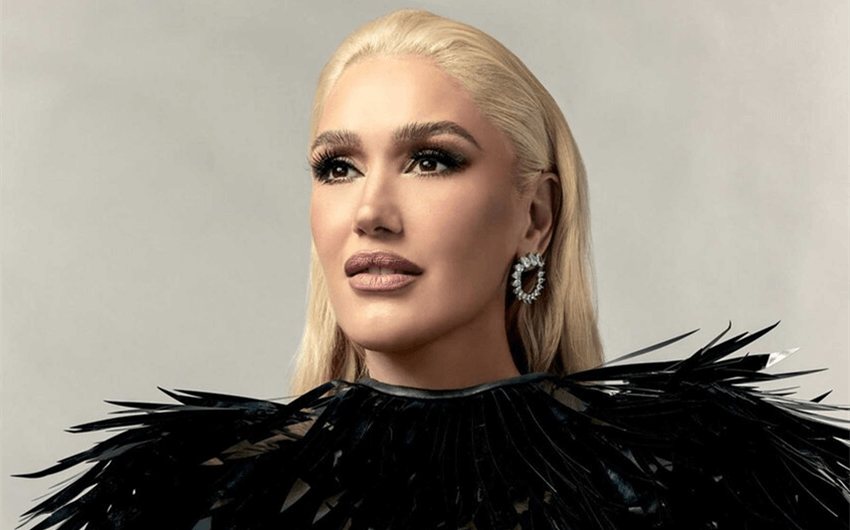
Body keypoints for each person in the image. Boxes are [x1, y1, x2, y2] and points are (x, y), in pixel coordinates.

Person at [18, 9, 850, 530]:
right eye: (337, 167)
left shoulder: (696, 488)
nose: (371, 211)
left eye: (430, 160)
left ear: (535, 215)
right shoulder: (186, 499)